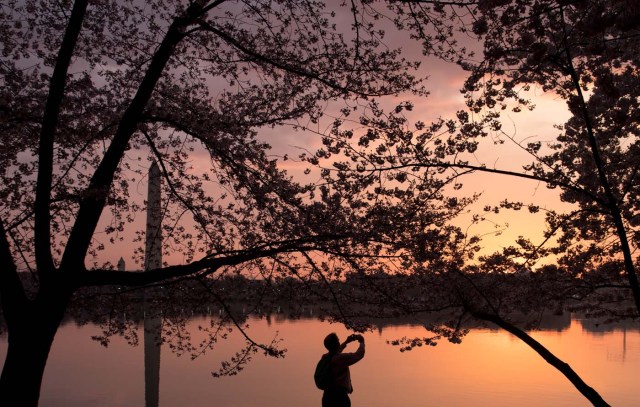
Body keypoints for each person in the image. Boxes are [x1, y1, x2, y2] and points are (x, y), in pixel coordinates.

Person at [321, 332, 365, 407]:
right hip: (340, 397)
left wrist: (346, 342)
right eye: (338, 341)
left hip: (327, 396)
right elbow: (359, 355)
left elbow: (335, 352)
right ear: (336, 344)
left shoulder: (325, 357)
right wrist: (362, 342)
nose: (339, 342)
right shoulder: (340, 358)